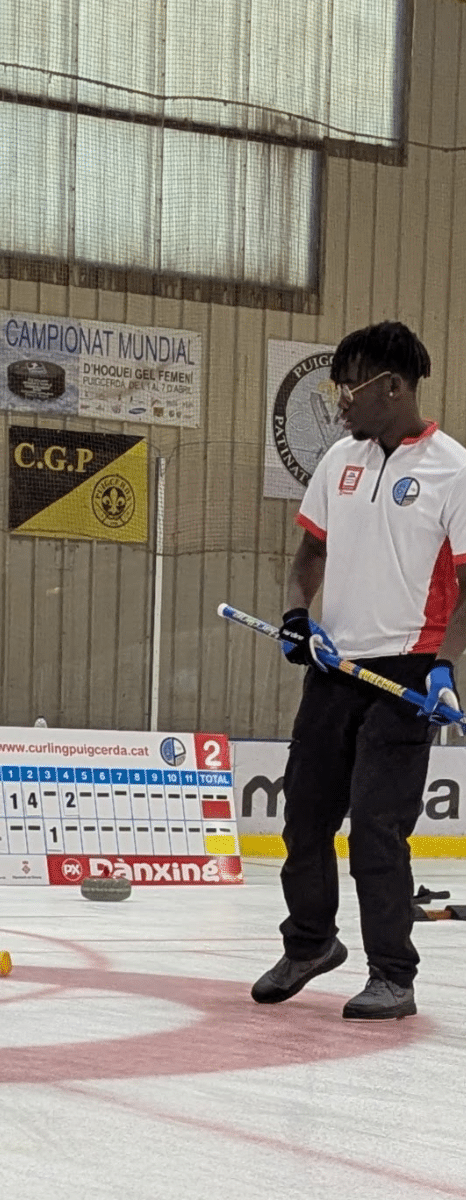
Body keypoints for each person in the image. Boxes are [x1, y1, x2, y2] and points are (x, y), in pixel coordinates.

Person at [253, 321, 466, 1020]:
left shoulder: (452, 470)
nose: (338, 398)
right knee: (305, 819)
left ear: (394, 388)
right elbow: (309, 557)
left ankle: (392, 976)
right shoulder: (338, 461)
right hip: (334, 665)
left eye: (351, 385)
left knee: (377, 826)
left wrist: (442, 668)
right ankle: (310, 943)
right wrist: (295, 617)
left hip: (405, 675)